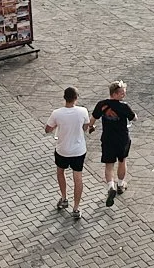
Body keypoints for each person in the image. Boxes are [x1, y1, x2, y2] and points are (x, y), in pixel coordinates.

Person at [44, 87, 91, 219]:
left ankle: (64, 198)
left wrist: (56, 126)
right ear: (76, 97)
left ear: (64, 98)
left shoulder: (57, 113)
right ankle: (76, 208)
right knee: (78, 178)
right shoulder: (83, 111)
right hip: (79, 150)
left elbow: (48, 129)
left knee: (60, 172)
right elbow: (86, 127)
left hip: (62, 150)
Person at [91, 81, 135, 207]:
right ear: (115, 94)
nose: (124, 96)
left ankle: (111, 187)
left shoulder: (102, 105)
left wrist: (91, 126)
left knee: (109, 165)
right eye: (122, 93)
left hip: (107, 139)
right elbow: (134, 117)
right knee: (122, 161)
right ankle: (120, 184)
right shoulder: (124, 106)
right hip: (122, 139)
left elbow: (92, 120)